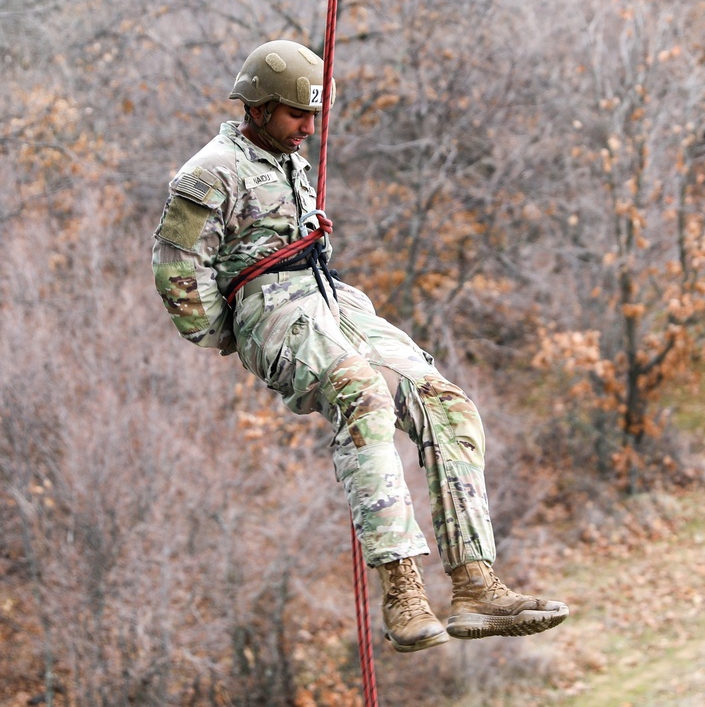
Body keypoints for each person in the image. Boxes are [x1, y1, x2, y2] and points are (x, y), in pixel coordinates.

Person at [151, 39, 568, 653]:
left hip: (329, 297)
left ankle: (475, 582)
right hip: (273, 310)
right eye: (298, 114)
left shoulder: (286, 155)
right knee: (362, 394)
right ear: (259, 107)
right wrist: (235, 331)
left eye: (313, 115)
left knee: (444, 402)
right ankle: (403, 591)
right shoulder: (208, 172)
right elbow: (176, 274)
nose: (309, 128)